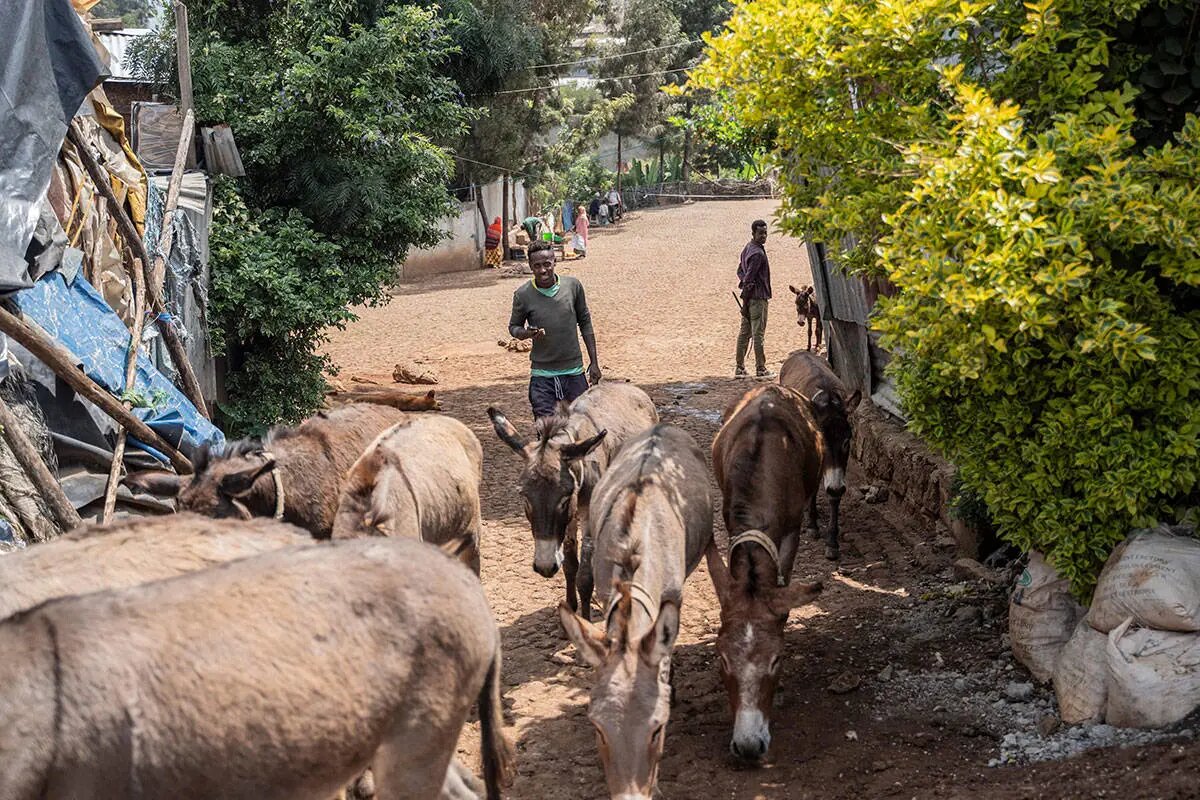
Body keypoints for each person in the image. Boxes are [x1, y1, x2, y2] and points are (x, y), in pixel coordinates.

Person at [508, 240, 602, 418]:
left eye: (547, 264)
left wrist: (594, 362)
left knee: (581, 426)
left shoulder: (573, 287)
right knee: (546, 429)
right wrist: (526, 334)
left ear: (554, 262)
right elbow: (513, 327)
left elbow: (585, 323)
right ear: (530, 266)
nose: (543, 270)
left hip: (574, 372)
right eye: (537, 266)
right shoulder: (523, 295)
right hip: (542, 377)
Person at [735, 219, 774, 379]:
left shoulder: (748, 248)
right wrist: (745, 300)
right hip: (757, 299)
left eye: (765, 233)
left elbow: (740, 272)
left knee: (744, 333)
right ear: (753, 233)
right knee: (758, 334)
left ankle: (739, 368)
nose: (764, 236)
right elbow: (749, 280)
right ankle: (761, 369)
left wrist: (745, 296)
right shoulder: (757, 253)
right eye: (760, 233)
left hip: (750, 298)